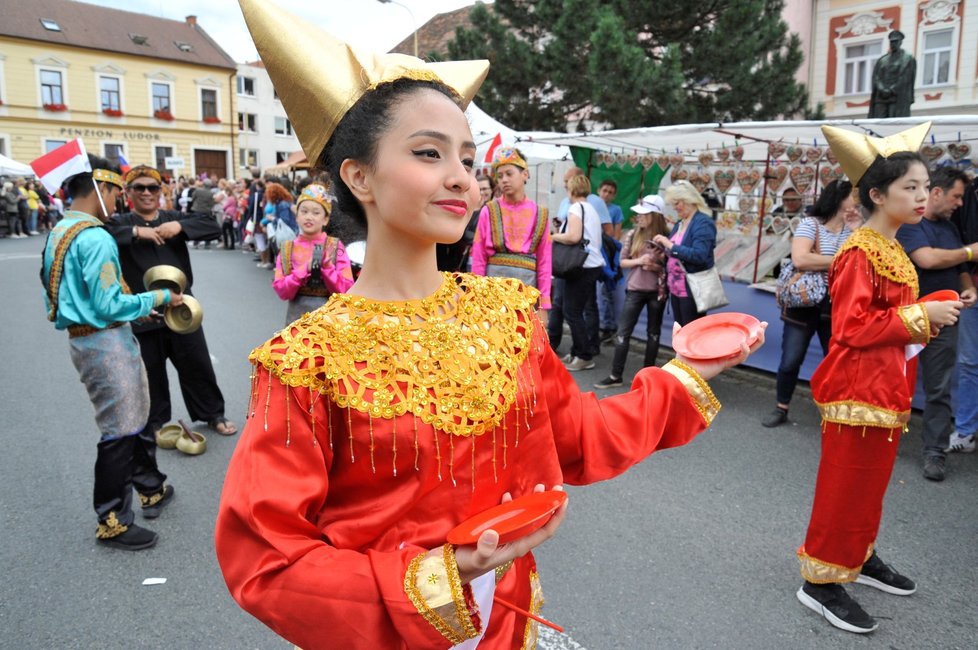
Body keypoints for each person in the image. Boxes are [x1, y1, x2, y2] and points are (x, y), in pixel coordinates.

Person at [216, 3, 764, 647]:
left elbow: (580, 436)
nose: (461, 177)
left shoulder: (503, 317)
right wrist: (437, 576)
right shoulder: (304, 360)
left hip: (511, 625)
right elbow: (267, 562)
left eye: (468, 158)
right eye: (429, 153)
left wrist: (685, 374)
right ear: (358, 175)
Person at [796, 123, 962, 634]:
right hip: (856, 389)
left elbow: (890, 317)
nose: (921, 196)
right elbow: (851, 329)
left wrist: (926, 309)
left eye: (923, 186)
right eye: (909, 187)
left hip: (887, 387)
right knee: (844, 485)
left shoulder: (892, 249)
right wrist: (921, 317)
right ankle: (820, 580)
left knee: (870, 485)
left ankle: (858, 554)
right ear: (876, 194)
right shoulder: (859, 251)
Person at [40, 155, 181, 549]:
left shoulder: (60, 231)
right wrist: (158, 296)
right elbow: (108, 304)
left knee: (135, 416)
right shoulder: (95, 235)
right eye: (118, 192)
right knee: (119, 428)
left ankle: (150, 486)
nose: (120, 200)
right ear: (101, 190)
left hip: (87, 339)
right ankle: (112, 519)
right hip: (105, 340)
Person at [107, 164, 237, 437]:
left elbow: (210, 225)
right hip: (143, 311)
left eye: (152, 187)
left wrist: (178, 226)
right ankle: (155, 422)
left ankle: (213, 414)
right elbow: (99, 233)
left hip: (182, 309)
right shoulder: (120, 223)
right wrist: (135, 233)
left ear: (160, 191)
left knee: (197, 363)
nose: (146, 193)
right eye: (139, 187)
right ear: (128, 192)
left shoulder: (172, 217)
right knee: (150, 371)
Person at [896, 167, 976, 480]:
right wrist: (971, 251)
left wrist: (968, 285)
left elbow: (957, 265)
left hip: (947, 319)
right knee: (893, 382)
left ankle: (935, 452)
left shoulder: (950, 228)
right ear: (937, 193)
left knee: (939, 388)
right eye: (956, 196)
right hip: (908, 317)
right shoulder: (911, 223)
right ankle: (877, 435)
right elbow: (927, 259)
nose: (959, 203)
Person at [762, 180, 860, 428]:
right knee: (791, 359)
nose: (857, 201)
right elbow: (801, 259)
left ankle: (834, 409)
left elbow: (863, 261)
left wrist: (857, 229)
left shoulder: (855, 230)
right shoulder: (810, 224)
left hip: (837, 302)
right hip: (804, 302)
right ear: (839, 199)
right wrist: (843, 260)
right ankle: (781, 406)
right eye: (853, 196)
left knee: (836, 360)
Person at [595, 195, 670, 389]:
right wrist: (640, 261)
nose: (640, 217)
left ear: (655, 215)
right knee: (623, 333)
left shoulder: (666, 236)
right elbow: (622, 262)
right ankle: (615, 375)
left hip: (657, 291)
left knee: (653, 334)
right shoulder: (633, 234)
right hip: (635, 289)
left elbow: (672, 266)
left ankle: (648, 379)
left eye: (644, 214)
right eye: (638, 214)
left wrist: (657, 266)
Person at [470, 146, 552, 314]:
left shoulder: (540, 214)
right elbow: (479, 257)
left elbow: (544, 263)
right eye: (499, 176)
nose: (504, 180)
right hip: (492, 295)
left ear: (525, 174)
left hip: (526, 294)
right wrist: (476, 296)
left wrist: (544, 305)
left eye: (509, 174)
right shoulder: (489, 210)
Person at [272, 182, 354, 324]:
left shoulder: (335, 246)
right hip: (296, 324)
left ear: (325, 219)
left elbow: (347, 289)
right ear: (296, 216)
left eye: (316, 212)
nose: (309, 217)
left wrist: (328, 269)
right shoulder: (287, 249)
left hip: (329, 323)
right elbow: (282, 291)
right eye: (304, 211)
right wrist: (303, 270)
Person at [550, 174, 606, 371]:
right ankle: (576, 351)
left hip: (581, 266)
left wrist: (554, 236)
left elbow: (574, 236)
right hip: (591, 265)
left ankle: (584, 355)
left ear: (571, 190)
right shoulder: (590, 208)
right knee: (578, 310)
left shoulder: (575, 208)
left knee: (572, 312)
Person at [653, 180, 718, 326]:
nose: (675, 208)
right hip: (677, 287)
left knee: (691, 335)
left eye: (677, 203)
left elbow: (699, 255)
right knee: (681, 334)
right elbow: (676, 252)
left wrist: (670, 245)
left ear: (688, 200)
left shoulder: (703, 222)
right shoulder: (681, 222)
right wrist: (662, 252)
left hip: (692, 290)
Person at [948, 173, 978, 453]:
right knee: (969, 364)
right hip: (974, 289)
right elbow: (959, 243)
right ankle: (966, 430)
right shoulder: (969, 192)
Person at [436, 174, 491, 272]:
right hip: (459, 259)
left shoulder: (492, 211)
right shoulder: (465, 206)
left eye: (485, 189)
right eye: (479, 189)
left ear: (491, 190)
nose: (482, 192)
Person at [597, 179, 625, 343]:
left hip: (606, 255)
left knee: (605, 292)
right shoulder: (591, 205)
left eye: (610, 192)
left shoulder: (616, 210)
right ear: (599, 190)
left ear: (614, 196)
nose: (606, 194)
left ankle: (608, 327)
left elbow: (616, 235)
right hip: (591, 255)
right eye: (604, 190)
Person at [868, 30, 916, 119]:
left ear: (900, 42)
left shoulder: (907, 59)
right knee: (877, 122)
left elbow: (906, 78)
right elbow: (876, 77)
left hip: (897, 96)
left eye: (895, 41)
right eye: (891, 42)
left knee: (894, 122)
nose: (893, 44)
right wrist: (882, 88)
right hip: (881, 97)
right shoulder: (882, 60)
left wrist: (891, 90)